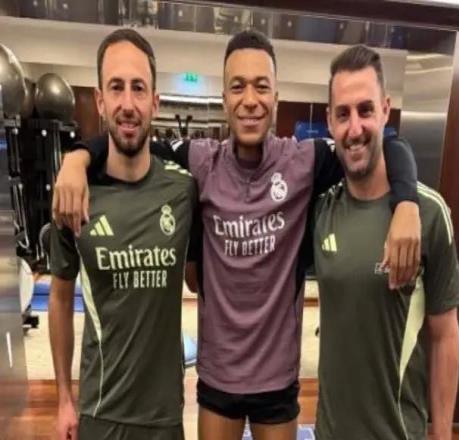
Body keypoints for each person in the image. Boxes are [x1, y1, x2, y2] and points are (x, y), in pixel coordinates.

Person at [52, 31, 421, 440]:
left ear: (276, 98)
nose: (250, 100)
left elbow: (382, 144)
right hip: (219, 376)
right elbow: (129, 139)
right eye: (238, 86)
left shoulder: (305, 161)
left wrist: (406, 200)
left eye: (261, 87)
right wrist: (76, 157)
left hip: (277, 379)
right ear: (224, 98)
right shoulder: (199, 161)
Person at [48, 28, 196, 440]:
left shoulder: (183, 189)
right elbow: (60, 298)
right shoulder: (73, 196)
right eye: (116, 88)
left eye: (138, 88)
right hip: (101, 412)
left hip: (164, 416)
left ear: (155, 102)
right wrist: (64, 399)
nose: (128, 104)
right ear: (100, 101)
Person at [313, 44, 459, 440]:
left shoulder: (429, 214)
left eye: (365, 110)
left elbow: (445, 333)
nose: (354, 128)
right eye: (343, 114)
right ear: (329, 121)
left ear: (385, 110)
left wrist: (442, 434)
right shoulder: (321, 211)